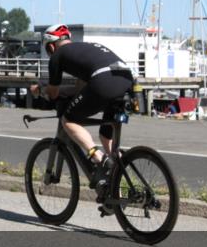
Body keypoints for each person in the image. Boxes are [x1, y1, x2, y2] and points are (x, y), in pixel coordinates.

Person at [29, 24, 134, 200]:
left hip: (103, 81)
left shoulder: (58, 56)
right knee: (106, 137)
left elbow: (53, 93)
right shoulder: (84, 49)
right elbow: (80, 90)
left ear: (51, 46)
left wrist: (40, 89)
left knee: (68, 120)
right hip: (125, 80)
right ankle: (117, 185)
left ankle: (99, 158)